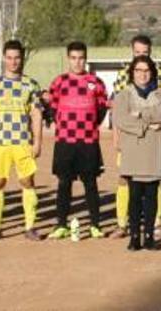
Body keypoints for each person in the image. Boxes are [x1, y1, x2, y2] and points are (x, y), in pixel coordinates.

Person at [0, 40, 44, 241]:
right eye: (9, 57)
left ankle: (30, 227)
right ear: (4, 58)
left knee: (27, 182)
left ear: (22, 58)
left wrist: (38, 142)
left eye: (17, 58)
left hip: (22, 142)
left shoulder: (30, 85)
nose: (13, 62)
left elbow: (36, 115)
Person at [46, 41, 108, 240]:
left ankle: (95, 225)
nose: (77, 62)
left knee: (90, 183)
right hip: (65, 140)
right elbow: (52, 109)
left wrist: (88, 125)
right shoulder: (59, 82)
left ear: (86, 58)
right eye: (73, 58)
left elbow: (101, 110)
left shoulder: (95, 82)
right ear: (68, 59)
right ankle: (61, 224)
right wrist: (65, 125)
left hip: (89, 141)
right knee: (64, 183)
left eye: (81, 58)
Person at [109, 35, 161, 240]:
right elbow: (119, 111)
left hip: (153, 139)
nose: (142, 55)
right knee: (124, 180)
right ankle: (122, 223)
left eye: (145, 52)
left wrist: (139, 115)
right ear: (132, 51)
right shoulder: (122, 75)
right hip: (128, 138)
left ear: (150, 51)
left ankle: (156, 223)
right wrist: (117, 139)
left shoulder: (160, 74)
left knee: (154, 182)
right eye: (138, 52)